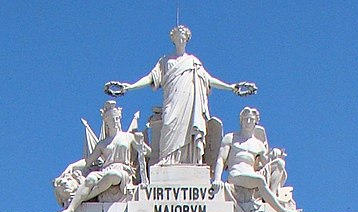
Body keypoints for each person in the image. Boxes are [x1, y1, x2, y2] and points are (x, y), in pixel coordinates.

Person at [107, 25, 255, 166]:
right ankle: (167, 160)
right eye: (177, 36)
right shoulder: (165, 61)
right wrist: (130, 87)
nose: (180, 39)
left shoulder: (193, 61)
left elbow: (208, 79)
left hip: (190, 101)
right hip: (172, 100)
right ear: (173, 39)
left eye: (183, 36)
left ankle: (190, 160)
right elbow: (151, 78)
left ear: (187, 39)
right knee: (168, 125)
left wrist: (230, 87)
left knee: (190, 128)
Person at [57, 101, 149, 212]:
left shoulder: (128, 137)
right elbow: (87, 162)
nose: (115, 122)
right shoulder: (102, 144)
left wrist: (141, 145)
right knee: (90, 179)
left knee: (112, 174)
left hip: (122, 171)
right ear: (106, 122)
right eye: (112, 119)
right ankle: (70, 210)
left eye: (117, 119)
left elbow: (147, 152)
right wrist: (72, 166)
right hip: (105, 171)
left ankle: (83, 198)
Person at [212, 107, 300, 212]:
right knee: (260, 180)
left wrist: (275, 154)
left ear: (255, 122)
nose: (248, 122)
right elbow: (221, 159)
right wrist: (217, 179)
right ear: (241, 121)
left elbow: (266, 164)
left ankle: (271, 197)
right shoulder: (231, 138)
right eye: (245, 119)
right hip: (236, 174)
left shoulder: (259, 144)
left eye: (251, 119)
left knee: (279, 164)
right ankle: (283, 211)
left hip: (252, 174)